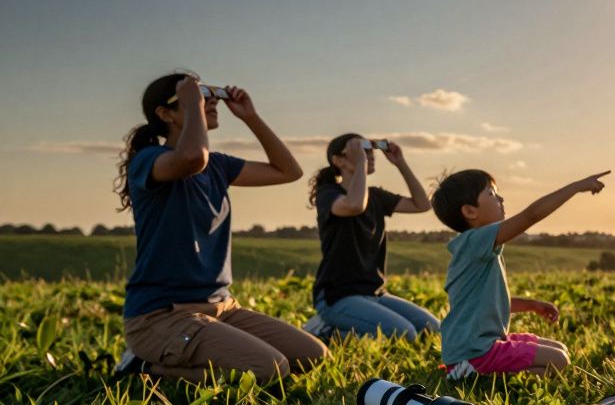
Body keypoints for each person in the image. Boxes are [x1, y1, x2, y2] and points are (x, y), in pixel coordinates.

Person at [115, 73, 328, 382]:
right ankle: (142, 367)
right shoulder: (150, 160)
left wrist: (250, 118)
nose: (209, 101)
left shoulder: (218, 165)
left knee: (311, 355)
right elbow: (190, 158)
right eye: (199, 97)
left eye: (209, 96)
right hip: (162, 315)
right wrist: (194, 105)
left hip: (221, 307)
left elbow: (288, 171)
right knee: (269, 369)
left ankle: (176, 359)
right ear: (165, 114)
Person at [431, 169, 609, 379]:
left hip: (480, 345)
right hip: (475, 351)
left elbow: (488, 302)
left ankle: (480, 373)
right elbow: (531, 215)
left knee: (559, 349)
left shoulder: (476, 249)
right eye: (492, 194)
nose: (501, 198)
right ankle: (471, 373)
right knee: (559, 360)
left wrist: (531, 305)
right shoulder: (475, 241)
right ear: (470, 212)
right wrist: (576, 186)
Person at [306, 134, 440, 339]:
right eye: (361, 150)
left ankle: (344, 329)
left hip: (374, 294)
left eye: (370, 150)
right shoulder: (329, 194)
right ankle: (324, 330)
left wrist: (400, 163)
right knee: (405, 334)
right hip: (337, 297)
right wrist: (361, 163)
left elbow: (422, 204)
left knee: (433, 330)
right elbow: (354, 205)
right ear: (338, 160)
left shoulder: (375, 196)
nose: (369, 155)